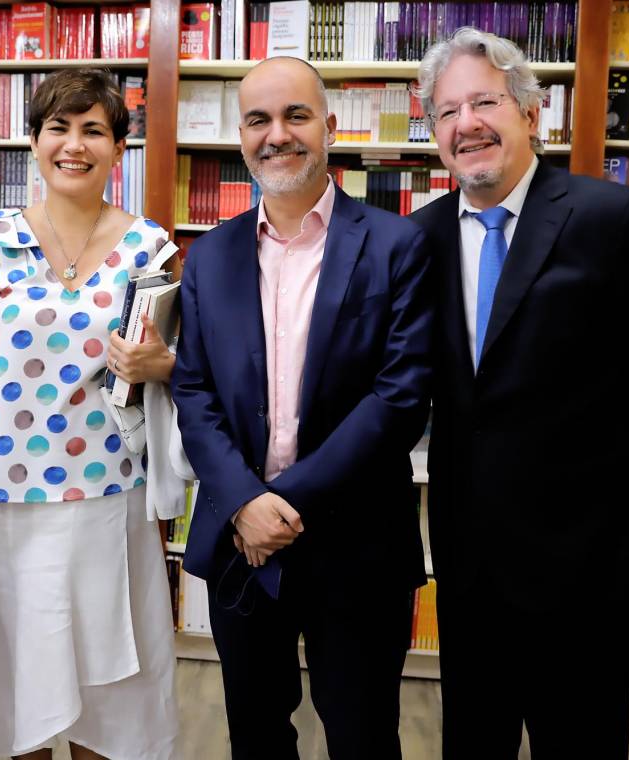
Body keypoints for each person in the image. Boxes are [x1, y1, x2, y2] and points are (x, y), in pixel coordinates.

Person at [410, 28, 629, 760]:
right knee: (472, 745)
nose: (466, 124)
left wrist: (580, 464)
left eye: (484, 102)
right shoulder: (416, 240)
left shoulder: (614, 219)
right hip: (468, 561)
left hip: (583, 562)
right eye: (447, 112)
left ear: (531, 113)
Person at [171, 56, 433, 759]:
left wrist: (276, 504)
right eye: (258, 119)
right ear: (240, 137)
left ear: (330, 127)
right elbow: (193, 392)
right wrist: (241, 503)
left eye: (296, 116)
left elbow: (400, 396)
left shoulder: (397, 245)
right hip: (239, 541)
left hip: (357, 544)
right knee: (254, 733)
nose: (277, 134)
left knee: (363, 734)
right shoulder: (211, 255)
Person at [0, 68, 180, 760]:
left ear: (117, 149)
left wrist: (159, 366)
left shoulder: (152, 247)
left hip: (107, 503)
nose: (74, 145)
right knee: (17, 693)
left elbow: (180, 368)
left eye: (93, 131)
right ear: (34, 141)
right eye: (58, 127)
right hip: (5, 507)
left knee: (106, 699)